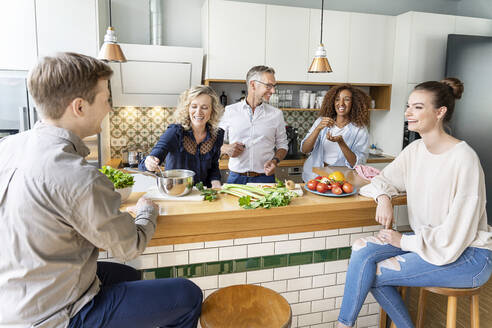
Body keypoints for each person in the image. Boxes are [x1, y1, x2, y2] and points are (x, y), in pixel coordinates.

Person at [0, 53, 202, 328]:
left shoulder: (8, 147)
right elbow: (130, 245)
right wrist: (146, 212)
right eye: (106, 98)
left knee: (126, 276)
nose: (109, 107)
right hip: (56, 316)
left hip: (13, 301)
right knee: (186, 294)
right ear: (79, 107)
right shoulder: (77, 175)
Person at [337, 78, 492, 328]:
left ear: (440, 112)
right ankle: (345, 324)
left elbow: (455, 236)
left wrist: (404, 241)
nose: (408, 112)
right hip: (429, 243)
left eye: (418, 107)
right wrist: (384, 197)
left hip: (467, 255)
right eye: (408, 106)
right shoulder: (415, 150)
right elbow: (381, 181)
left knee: (375, 273)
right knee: (361, 248)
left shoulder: (464, 159)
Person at [139, 85, 224, 189]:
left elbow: (213, 166)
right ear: (187, 108)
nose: (198, 112)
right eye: (194, 106)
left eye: (204, 107)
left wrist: (216, 183)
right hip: (175, 193)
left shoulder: (217, 135)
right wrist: (149, 162)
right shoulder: (175, 132)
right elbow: (155, 154)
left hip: (202, 195)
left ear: (212, 110)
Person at [219, 65, 288, 184]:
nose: (273, 91)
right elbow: (215, 143)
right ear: (253, 85)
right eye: (268, 86)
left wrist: (275, 161)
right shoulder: (230, 111)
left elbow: (283, 145)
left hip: (265, 178)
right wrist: (226, 148)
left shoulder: (276, 114)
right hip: (235, 178)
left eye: (274, 86)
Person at [300, 84, 370, 182]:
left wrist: (341, 143)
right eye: (337, 99)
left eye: (346, 99)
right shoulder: (321, 121)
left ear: (354, 103)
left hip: (339, 180)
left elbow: (358, 164)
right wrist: (317, 129)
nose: (341, 103)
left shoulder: (360, 130)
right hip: (313, 177)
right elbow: (305, 149)